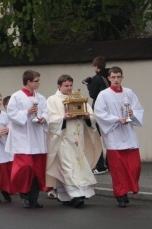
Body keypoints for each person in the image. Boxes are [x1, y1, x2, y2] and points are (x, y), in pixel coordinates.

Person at [46, 75, 102, 207]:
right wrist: (63, 118)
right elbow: (50, 119)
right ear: (59, 86)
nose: (69, 88)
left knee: (78, 166)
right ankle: (76, 195)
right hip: (62, 139)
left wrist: (87, 117)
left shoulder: (78, 98)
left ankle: (65, 195)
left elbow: (92, 117)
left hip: (78, 138)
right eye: (66, 86)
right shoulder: (52, 100)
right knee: (67, 166)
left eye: (71, 85)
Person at [94, 66, 144, 208]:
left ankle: (127, 189)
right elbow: (99, 114)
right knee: (118, 169)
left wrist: (132, 113)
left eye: (118, 77)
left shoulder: (129, 93)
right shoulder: (104, 95)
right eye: (113, 77)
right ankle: (120, 195)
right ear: (109, 78)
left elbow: (138, 109)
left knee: (135, 166)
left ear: (122, 77)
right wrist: (117, 119)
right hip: (114, 135)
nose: (116, 80)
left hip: (128, 134)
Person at [6, 70, 49, 209]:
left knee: (37, 169)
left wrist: (44, 118)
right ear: (28, 82)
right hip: (23, 138)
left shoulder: (41, 97)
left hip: (37, 137)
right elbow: (11, 114)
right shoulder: (16, 97)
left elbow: (46, 112)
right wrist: (26, 112)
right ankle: (24, 196)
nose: (39, 83)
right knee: (25, 167)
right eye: (36, 81)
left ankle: (34, 199)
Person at [85, 56, 110, 175]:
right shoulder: (110, 75)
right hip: (110, 109)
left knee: (97, 138)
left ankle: (100, 166)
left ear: (96, 67)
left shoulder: (97, 77)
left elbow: (93, 94)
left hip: (99, 109)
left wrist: (88, 84)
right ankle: (111, 164)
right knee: (110, 137)